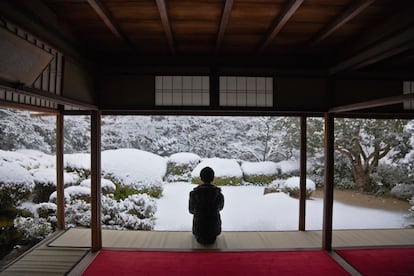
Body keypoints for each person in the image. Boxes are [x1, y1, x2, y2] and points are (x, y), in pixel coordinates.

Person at [189, 167, 224, 244]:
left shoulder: (194, 193)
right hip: (214, 230)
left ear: (201, 178)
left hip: (198, 230)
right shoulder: (218, 193)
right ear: (213, 178)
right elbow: (221, 208)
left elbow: (191, 210)